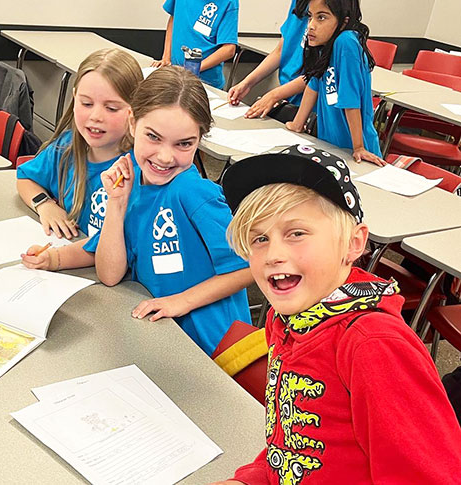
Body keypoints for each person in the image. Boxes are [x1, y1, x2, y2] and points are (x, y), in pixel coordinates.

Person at [211, 145, 461, 484]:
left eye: (296, 233)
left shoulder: (373, 346)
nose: (273, 254)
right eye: (260, 238)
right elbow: (291, 443)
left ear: (353, 244)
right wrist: (251, 479)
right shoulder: (286, 319)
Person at [90, 66, 252, 354]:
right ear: (132, 123)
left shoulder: (193, 192)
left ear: (200, 139)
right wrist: (116, 203)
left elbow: (250, 268)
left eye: (184, 144)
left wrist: (182, 301)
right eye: (153, 137)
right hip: (159, 337)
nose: (165, 157)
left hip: (211, 351)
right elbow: (110, 274)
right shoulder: (129, 181)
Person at [18, 48, 142, 272]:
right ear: (74, 98)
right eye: (86, 104)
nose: (96, 116)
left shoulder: (138, 173)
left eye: (111, 108)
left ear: (135, 112)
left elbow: (110, 243)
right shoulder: (67, 147)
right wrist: (44, 204)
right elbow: (25, 178)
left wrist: (56, 258)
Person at [285, 0, 384, 165]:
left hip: (357, 150)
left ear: (344, 21)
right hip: (331, 146)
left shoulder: (346, 42)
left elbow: (351, 100)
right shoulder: (325, 44)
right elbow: (313, 84)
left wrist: (358, 147)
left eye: (321, 18)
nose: (311, 25)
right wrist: (297, 124)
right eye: (310, 17)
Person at [227, 0, 309, 118]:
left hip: (309, 104)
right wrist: (247, 83)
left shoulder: (329, 10)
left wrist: (274, 95)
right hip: (287, 96)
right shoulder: (298, 3)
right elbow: (280, 51)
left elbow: (316, 74)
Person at [151, 0, 239, 90]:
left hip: (204, 82)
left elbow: (229, 49)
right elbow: (173, 17)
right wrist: (166, 58)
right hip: (176, 74)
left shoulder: (228, 2)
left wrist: (192, 69)